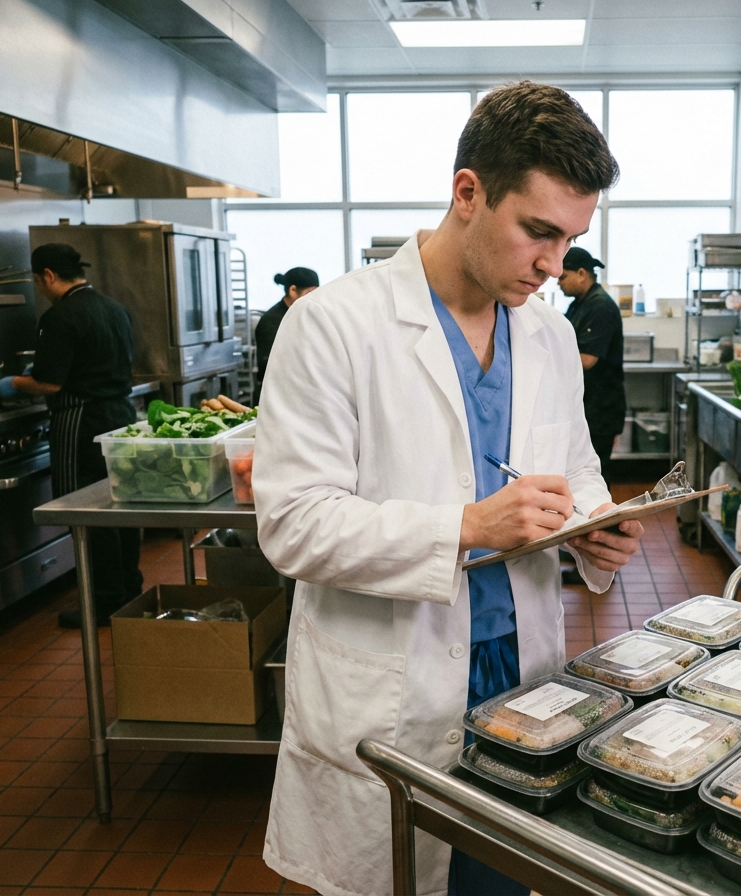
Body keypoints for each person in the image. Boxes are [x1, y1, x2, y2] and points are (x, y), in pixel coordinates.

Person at [253, 81, 645, 896]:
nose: (553, 264)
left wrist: (597, 521)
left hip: (521, 664)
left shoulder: (544, 331)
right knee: (398, 873)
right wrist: (465, 525)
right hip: (393, 669)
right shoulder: (332, 325)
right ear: (468, 192)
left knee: (498, 878)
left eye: (570, 239)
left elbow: (575, 468)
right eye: (537, 231)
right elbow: (293, 524)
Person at [4, 243, 142, 629]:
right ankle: (129, 590)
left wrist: (13, 382)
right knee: (122, 505)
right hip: (120, 416)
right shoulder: (113, 307)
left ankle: (103, 603)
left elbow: (48, 383)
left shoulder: (61, 316)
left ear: (47, 275)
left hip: (81, 421)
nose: (38, 286)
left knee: (86, 510)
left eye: (36, 280)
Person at [559, 246, 626, 481]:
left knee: (595, 475)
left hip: (601, 409)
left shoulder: (600, 306)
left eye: (562, 277)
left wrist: (549, 361)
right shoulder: (579, 303)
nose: (558, 283)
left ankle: (604, 518)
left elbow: (587, 359)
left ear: (581, 273)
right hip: (588, 404)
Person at [252, 266, 319, 405]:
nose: (314, 298)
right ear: (293, 290)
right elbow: (274, 364)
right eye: (310, 292)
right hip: (277, 397)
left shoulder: (304, 314)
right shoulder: (272, 321)